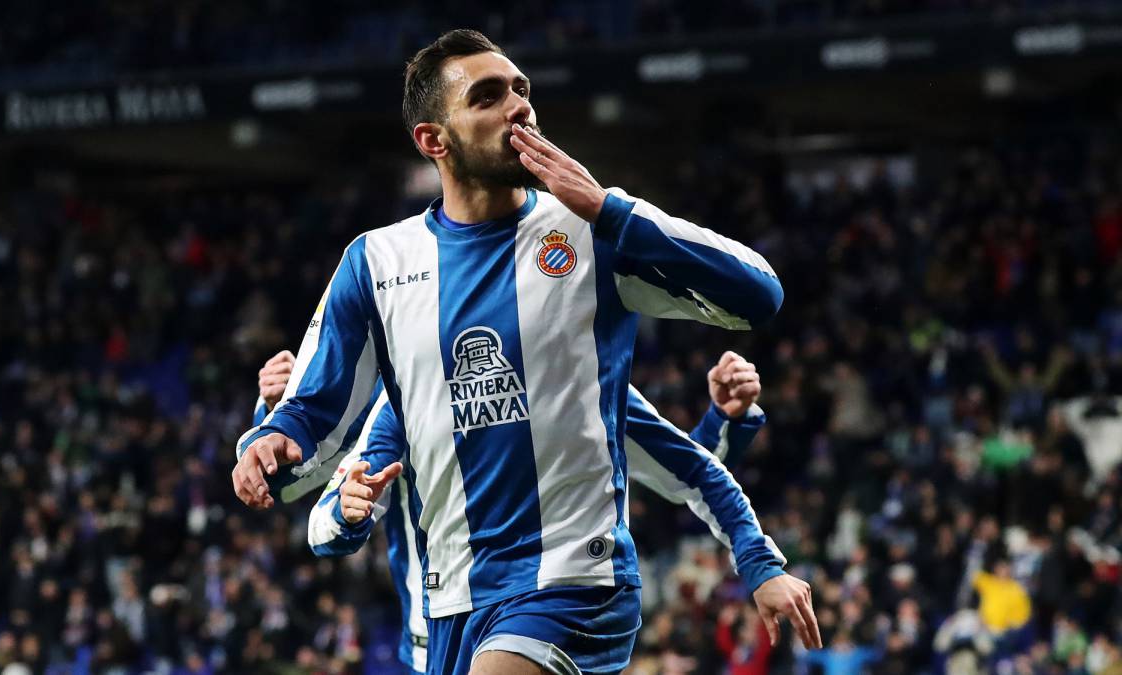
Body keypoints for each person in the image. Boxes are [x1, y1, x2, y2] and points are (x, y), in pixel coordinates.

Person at [233, 29, 818, 673]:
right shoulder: (376, 264)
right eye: (487, 97)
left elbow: (757, 294)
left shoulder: (590, 231)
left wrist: (607, 208)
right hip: (448, 610)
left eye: (521, 90)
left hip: (573, 585)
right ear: (434, 140)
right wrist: (267, 440)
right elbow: (308, 429)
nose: (518, 107)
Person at [255, 349, 775, 674]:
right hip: (435, 641)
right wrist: (283, 417)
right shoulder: (401, 396)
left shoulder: (579, 371)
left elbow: (685, 469)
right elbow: (297, 496)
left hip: (551, 618)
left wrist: (722, 427)